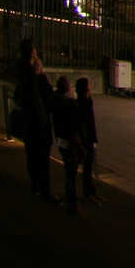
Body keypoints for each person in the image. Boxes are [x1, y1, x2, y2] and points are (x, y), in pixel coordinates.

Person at [13, 39, 56, 204]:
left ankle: (36, 187)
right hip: (38, 123)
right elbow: (39, 99)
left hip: (29, 122)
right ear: (32, 52)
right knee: (42, 159)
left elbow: (19, 97)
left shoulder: (22, 71)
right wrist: (42, 120)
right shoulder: (32, 75)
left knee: (32, 157)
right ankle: (44, 189)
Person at [50, 76, 84, 215]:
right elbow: (77, 126)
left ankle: (72, 200)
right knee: (72, 173)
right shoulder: (71, 105)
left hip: (61, 140)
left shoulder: (55, 102)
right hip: (70, 141)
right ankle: (73, 204)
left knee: (68, 171)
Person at [74, 78, 102, 204]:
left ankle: (92, 191)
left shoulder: (87, 100)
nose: (91, 86)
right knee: (87, 168)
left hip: (90, 137)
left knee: (89, 167)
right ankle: (88, 193)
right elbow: (83, 125)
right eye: (89, 84)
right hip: (87, 140)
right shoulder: (82, 104)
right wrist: (84, 142)